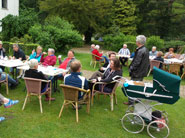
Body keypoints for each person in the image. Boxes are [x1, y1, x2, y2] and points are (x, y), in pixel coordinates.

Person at [124, 35, 150, 105]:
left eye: (136, 40)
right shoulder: (145, 49)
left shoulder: (141, 50)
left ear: (138, 42)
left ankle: (131, 102)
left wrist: (131, 69)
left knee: (133, 86)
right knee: (139, 86)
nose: (135, 41)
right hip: (142, 71)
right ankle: (138, 100)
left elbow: (136, 62)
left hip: (137, 72)